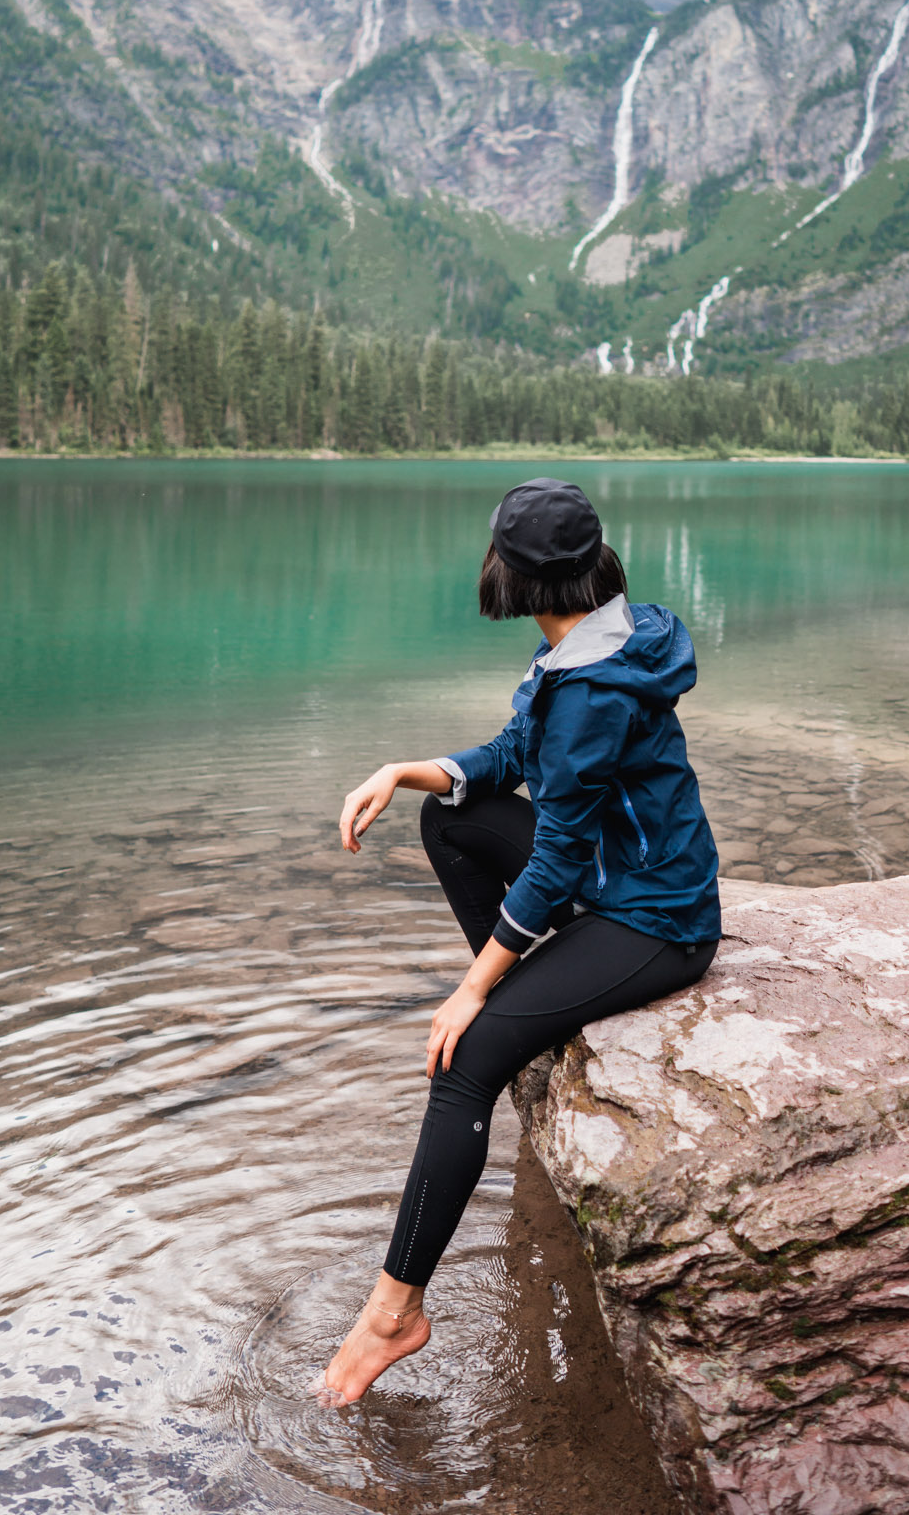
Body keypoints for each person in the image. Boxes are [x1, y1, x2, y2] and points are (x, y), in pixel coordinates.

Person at [313, 477, 721, 1406]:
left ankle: (395, 1315)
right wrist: (408, 769)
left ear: (514, 577)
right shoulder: (605, 632)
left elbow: (559, 858)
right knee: (451, 817)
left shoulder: (590, 690)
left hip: (654, 917)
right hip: (613, 878)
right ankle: (525, 982)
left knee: (464, 1065)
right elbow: (514, 757)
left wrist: (475, 990)